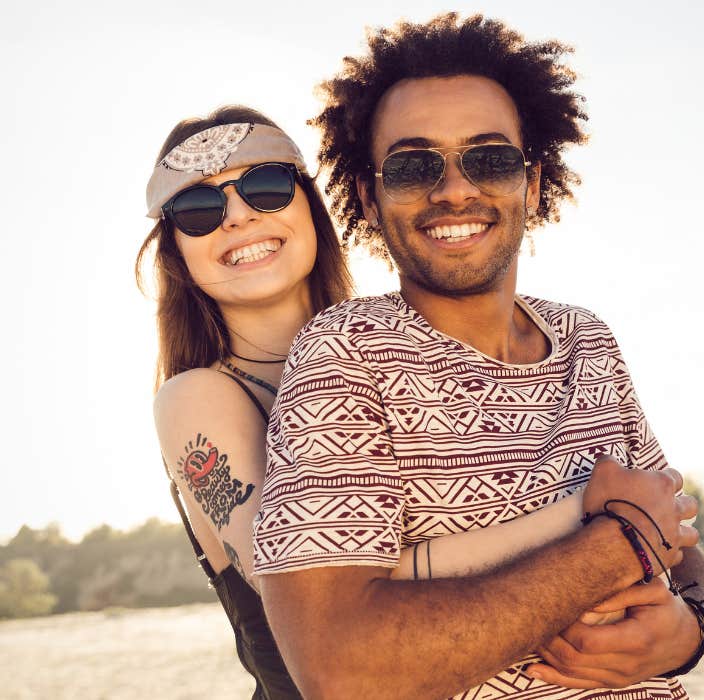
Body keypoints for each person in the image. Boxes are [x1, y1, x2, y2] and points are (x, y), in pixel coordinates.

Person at [254, 14, 704, 700]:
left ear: (532, 184)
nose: (454, 190)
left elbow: (677, 534)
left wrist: (692, 633)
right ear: (370, 200)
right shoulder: (345, 352)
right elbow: (339, 671)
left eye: (490, 158)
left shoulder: (588, 338)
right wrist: (617, 544)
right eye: (414, 166)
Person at [139, 105, 626, 699]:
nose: (237, 217)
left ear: (309, 206)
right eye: (198, 210)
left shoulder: (397, 352)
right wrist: (599, 521)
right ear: (176, 253)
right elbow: (309, 592)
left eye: (265, 187)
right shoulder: (197, 398)